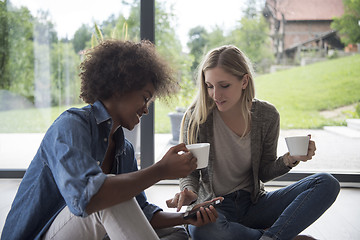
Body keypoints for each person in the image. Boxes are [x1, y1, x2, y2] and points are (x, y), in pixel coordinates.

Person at [1, 40, 220, 240]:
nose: (146, 110)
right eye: (145, 98)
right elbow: (90, 197)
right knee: (110, 197)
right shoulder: (71, 125)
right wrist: (161, 170)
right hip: (39, 235)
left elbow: (141, 212)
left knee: (177, 235)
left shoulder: (124, 150)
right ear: (120, 86)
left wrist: (186, 217)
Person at [166, 45, 340, 240]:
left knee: (327, 183)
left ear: (244, 81)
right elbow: (191, 171)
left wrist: (289, 159)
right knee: (202, 230)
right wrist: (188, 191)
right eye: (209, 86)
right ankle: (276, 236)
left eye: (224, 86)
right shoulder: (197, 118)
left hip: (255, 204)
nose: (215, 95)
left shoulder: (267, 115)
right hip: (216, 207)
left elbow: (264, 172)